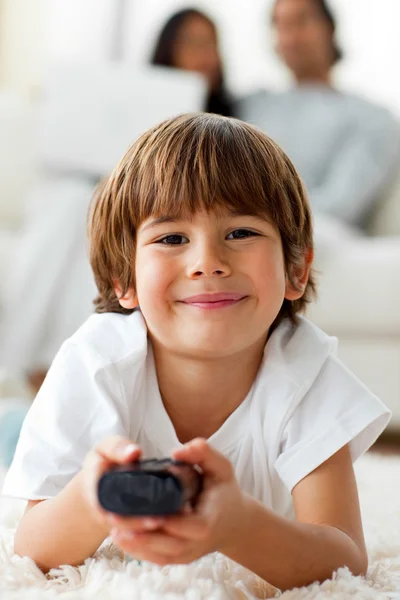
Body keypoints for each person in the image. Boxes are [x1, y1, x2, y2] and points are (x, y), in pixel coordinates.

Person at [2, 114, 390, 591]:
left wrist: (237, 525)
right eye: (171, 239)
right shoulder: (95, 360)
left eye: (241, 233)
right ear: (124, 278)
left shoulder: (307, 374)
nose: (207, 262)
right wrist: (92, 494)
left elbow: (346, 561)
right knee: (13, 436)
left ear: (296, 269)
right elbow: (31, 550)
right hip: (76, 417)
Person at [236, 0, 400, 229]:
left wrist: (256, 222)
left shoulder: (372, 119)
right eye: (281, 26)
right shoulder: (250, 106)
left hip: (313, 231)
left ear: (329, 28)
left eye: (301, 21)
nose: (291, 37)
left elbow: (341, 206)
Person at [151, 8, 234, 117]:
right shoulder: (144, 110)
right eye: (196, 43)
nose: (209, 55)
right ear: (168, 49)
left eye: (213, 44)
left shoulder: (238, 114)